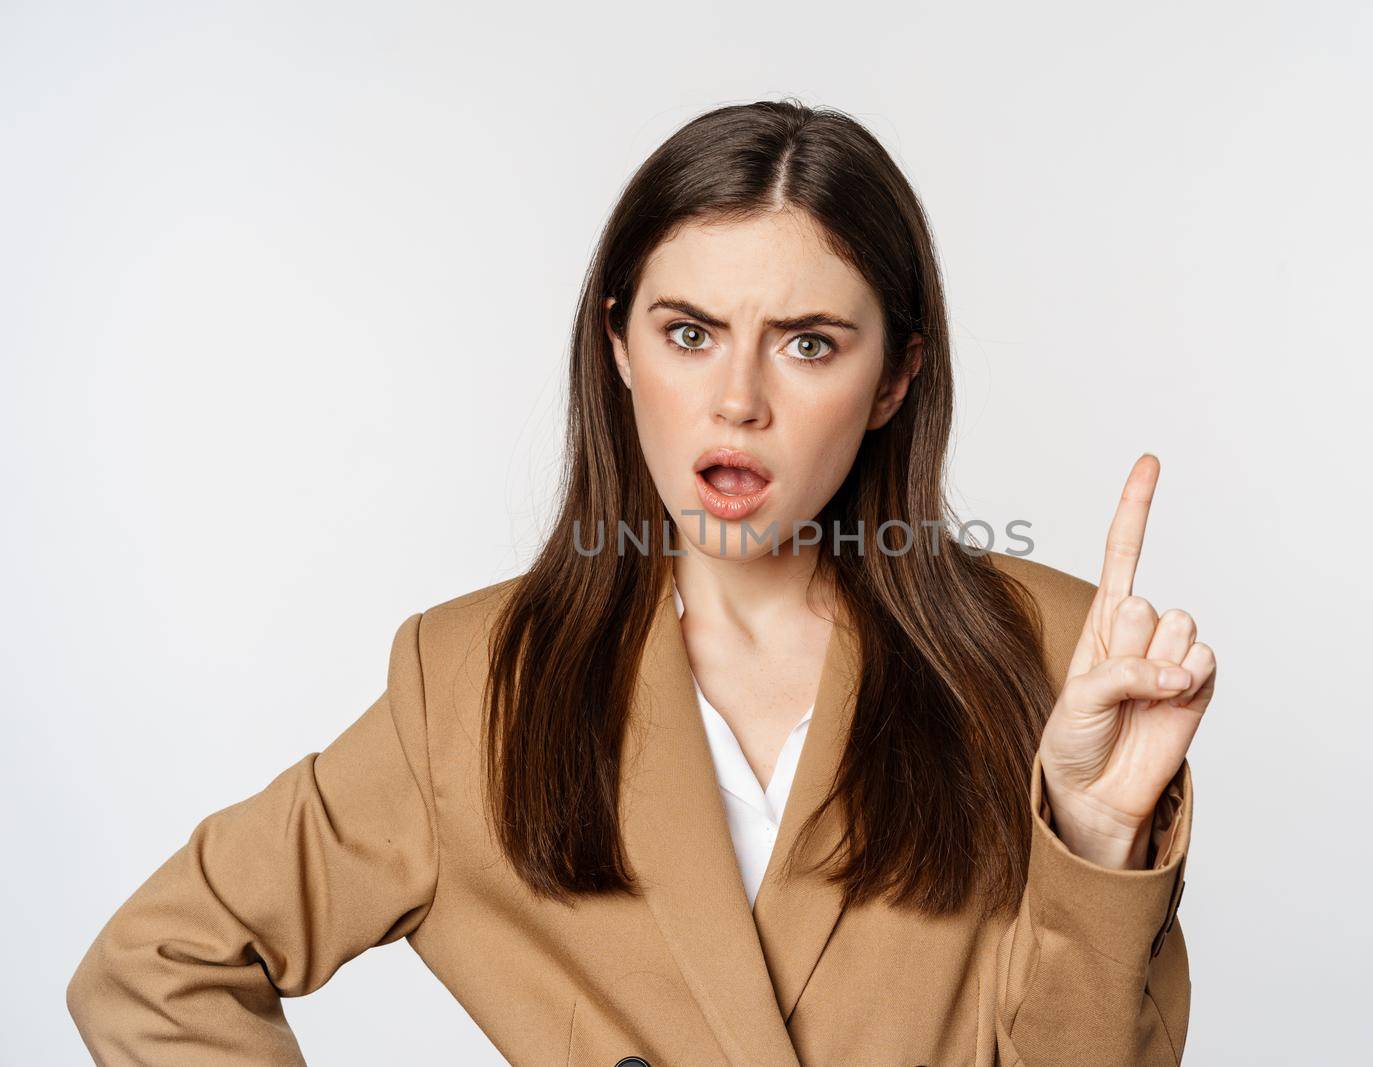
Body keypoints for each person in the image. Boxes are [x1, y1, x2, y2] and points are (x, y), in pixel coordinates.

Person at [66, 98, 1215, 1067]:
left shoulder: (1058, 656)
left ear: (893, 378)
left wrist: (1095, 834)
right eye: (689, 331)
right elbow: (158, 963)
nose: (738, 399)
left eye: (809, 341)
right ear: (618, 344)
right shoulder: (474, 681)